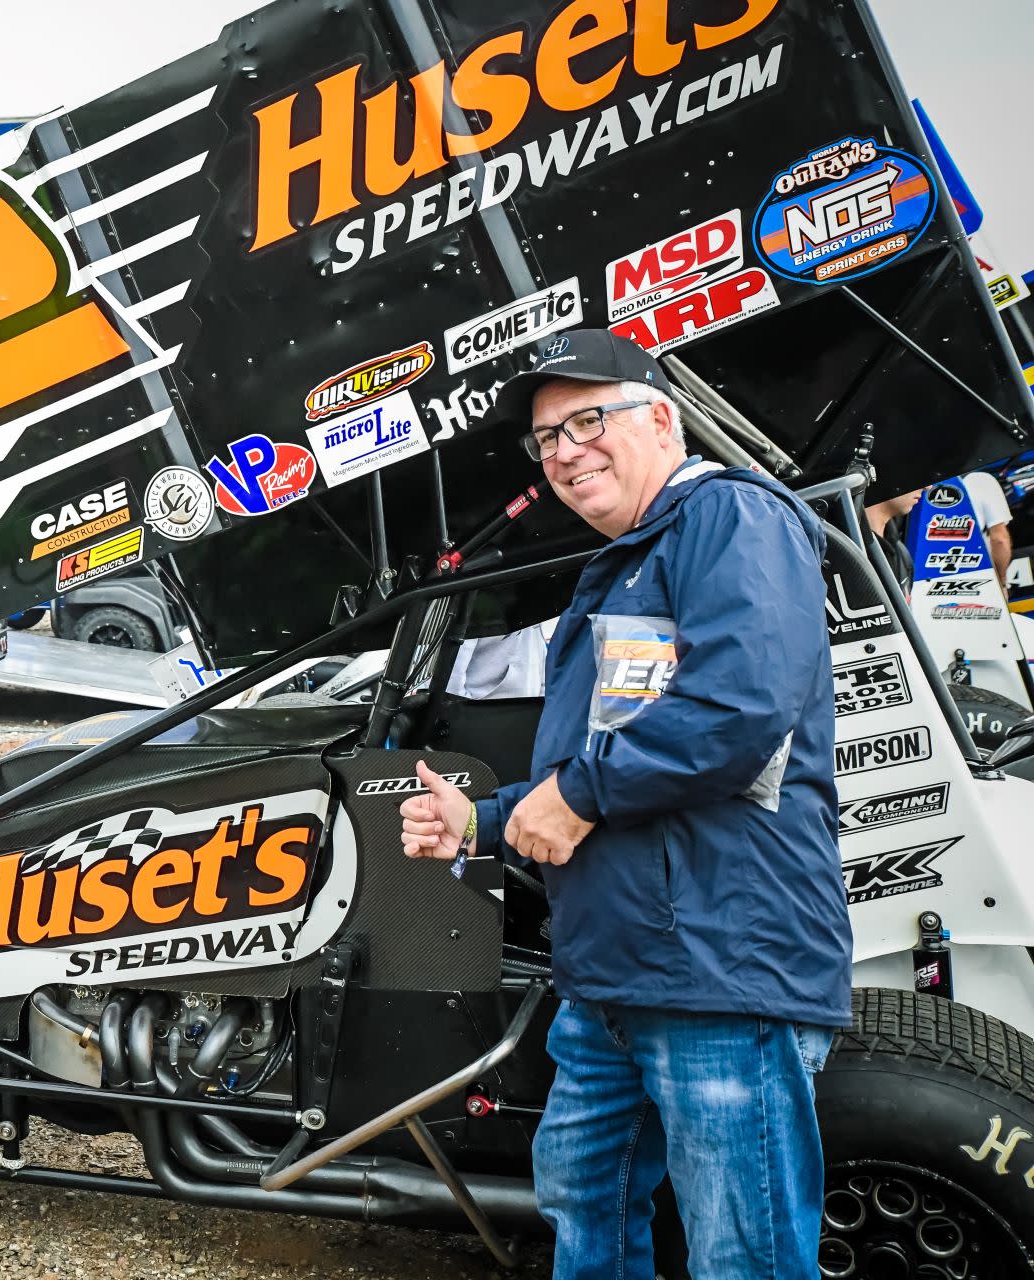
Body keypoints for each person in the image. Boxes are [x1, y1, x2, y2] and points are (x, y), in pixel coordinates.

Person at [397, 329, 849, 1278]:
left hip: (721, 969)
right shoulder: (615, 571)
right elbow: (589, 769)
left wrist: (579, 793)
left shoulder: (732, 518)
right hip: (611, 978)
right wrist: (476, 821)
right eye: (546, 437)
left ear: (662, 420)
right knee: (583, 1205)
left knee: (746, 1252)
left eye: (587, 419)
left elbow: (741, 708)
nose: (564, 450)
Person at [866, 468, 1013, 591]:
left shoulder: (899, 551)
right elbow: (1000, 539)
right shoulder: (982, 480)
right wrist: (1002, 581)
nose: (928, 487)